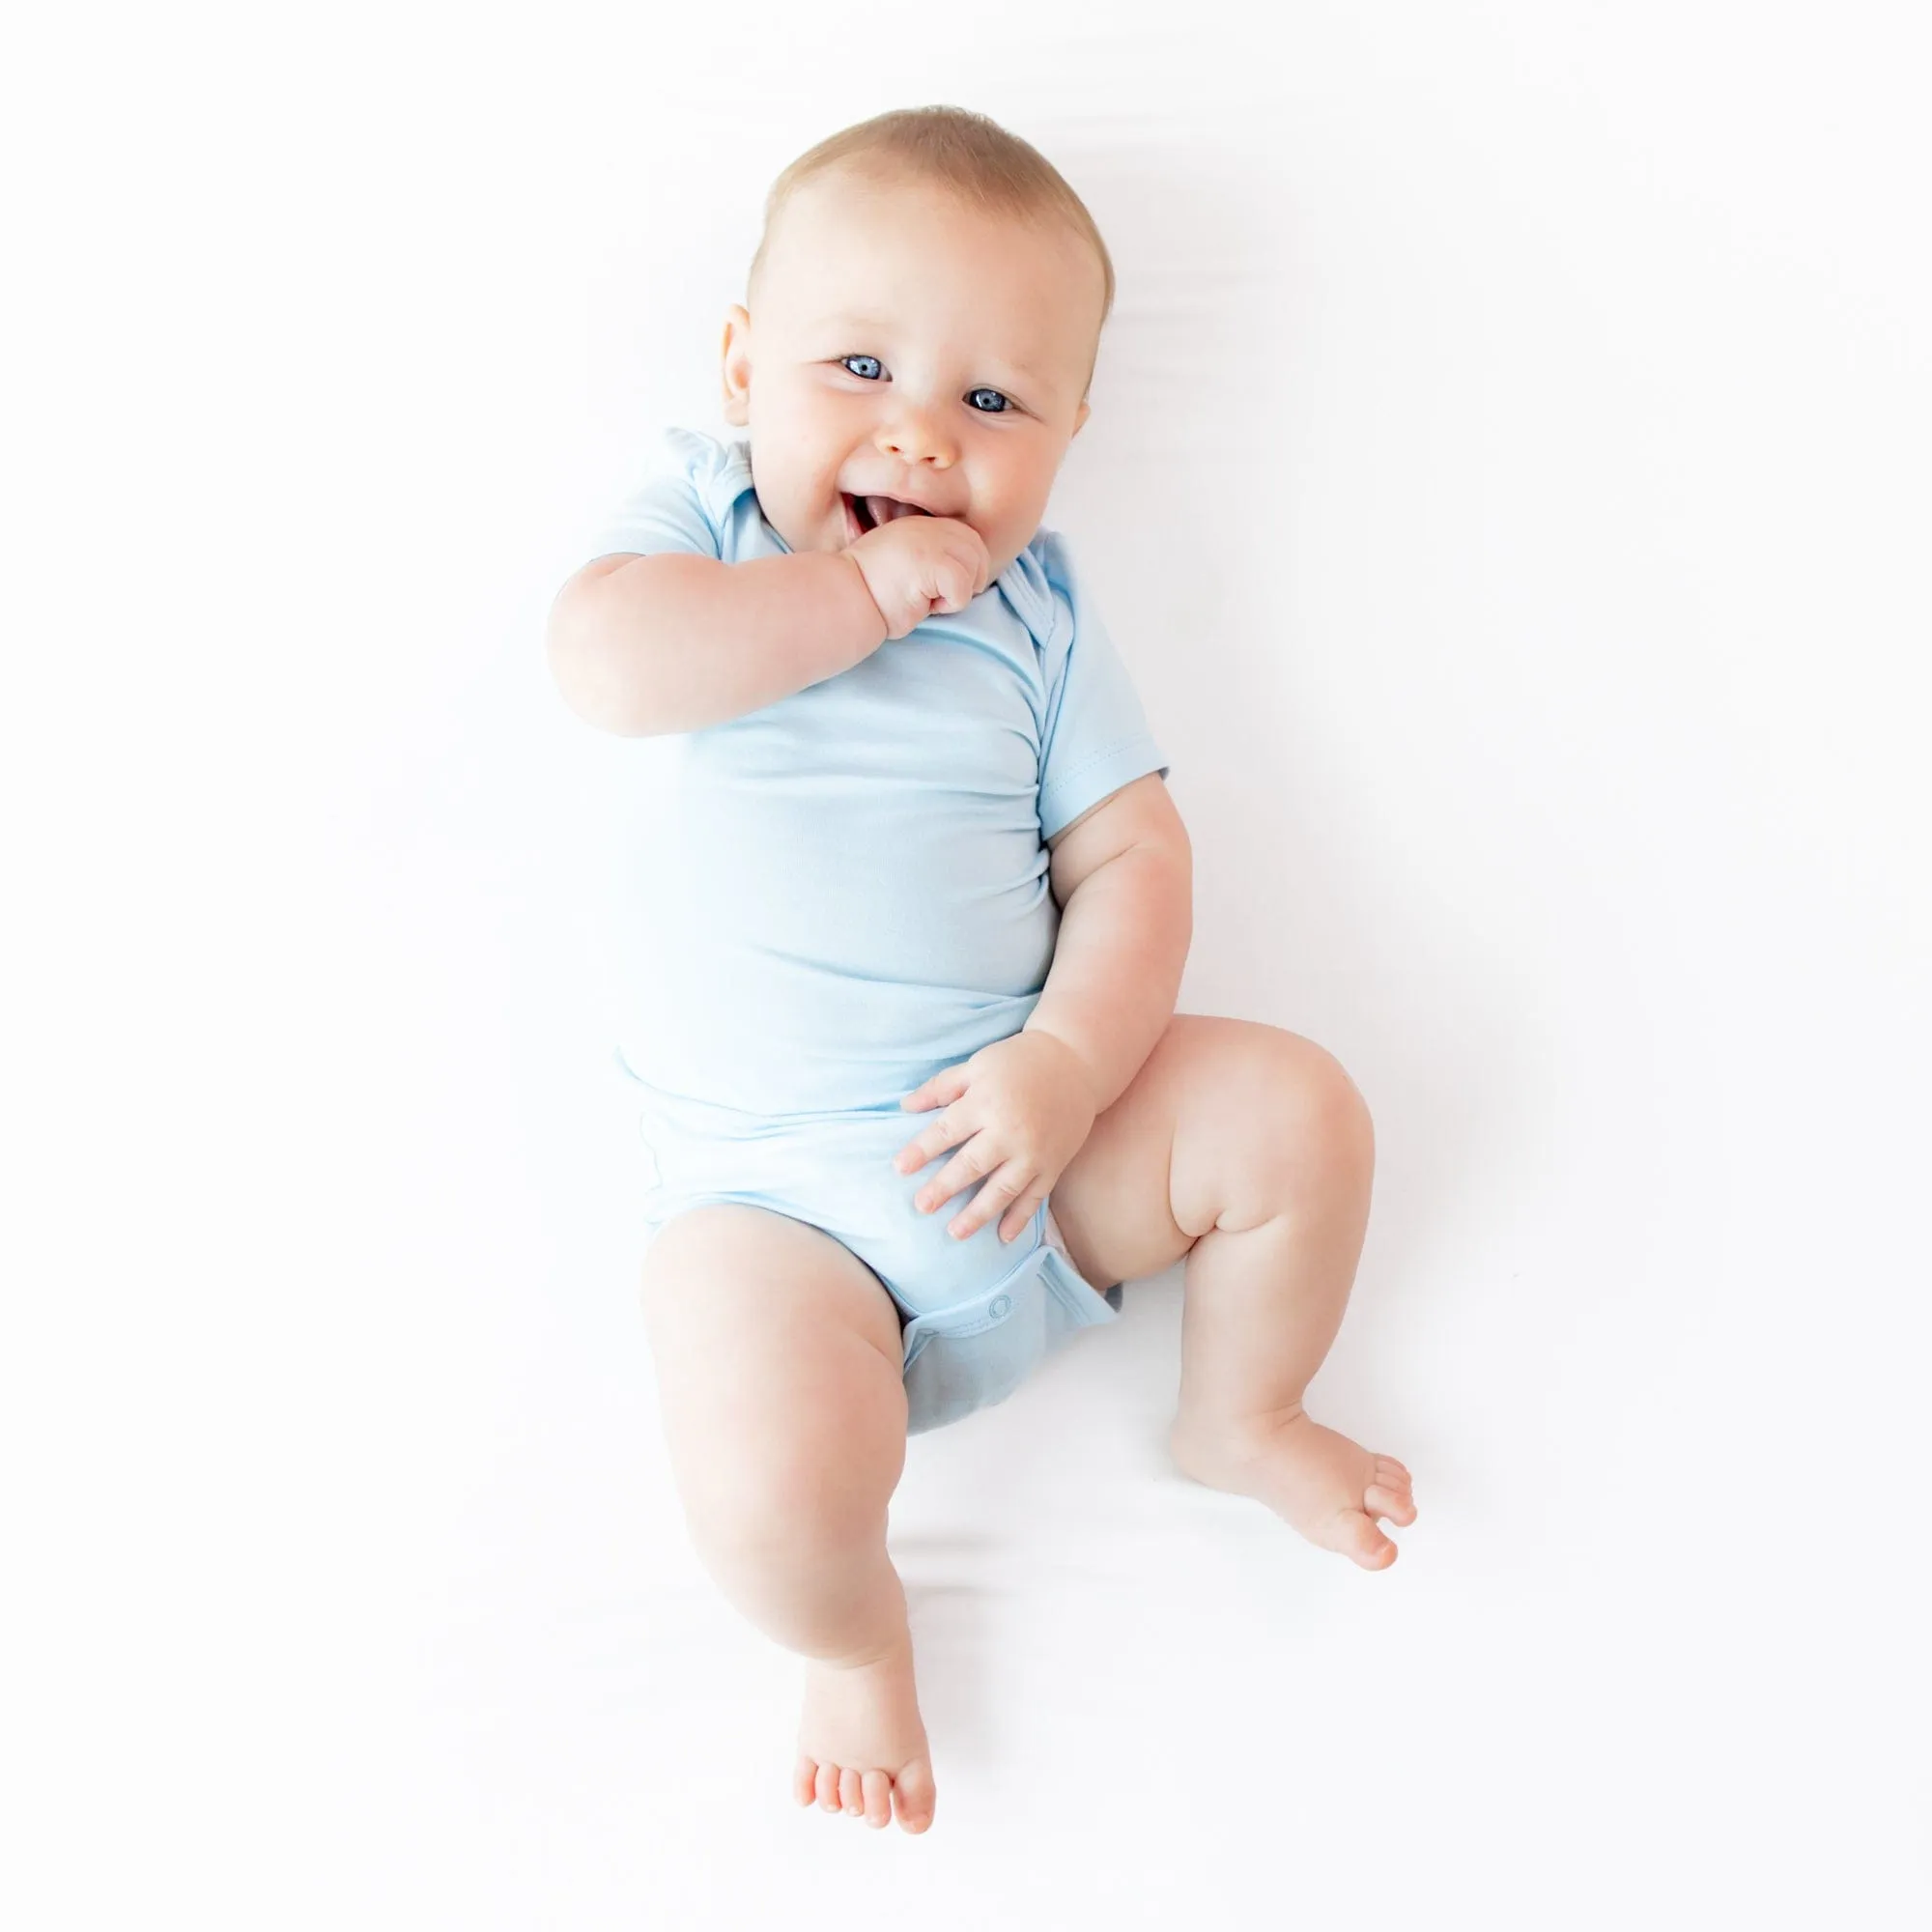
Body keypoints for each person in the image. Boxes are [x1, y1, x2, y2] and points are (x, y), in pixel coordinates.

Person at [546, 104, 1416, 1836]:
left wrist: (1072, 1068)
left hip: (1031, 1146)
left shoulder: (1041, 615)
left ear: (1071, 433)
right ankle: (858, 1637)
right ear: (740, 366)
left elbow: (1133, 860)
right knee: (770, 1492)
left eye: (992, 403)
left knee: (1295, 1114)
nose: (921, 439)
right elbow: (606, 668)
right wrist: (859, 596)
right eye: (857, 365)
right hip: (776, 1220)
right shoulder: (706, 528)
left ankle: (1244, 1411)